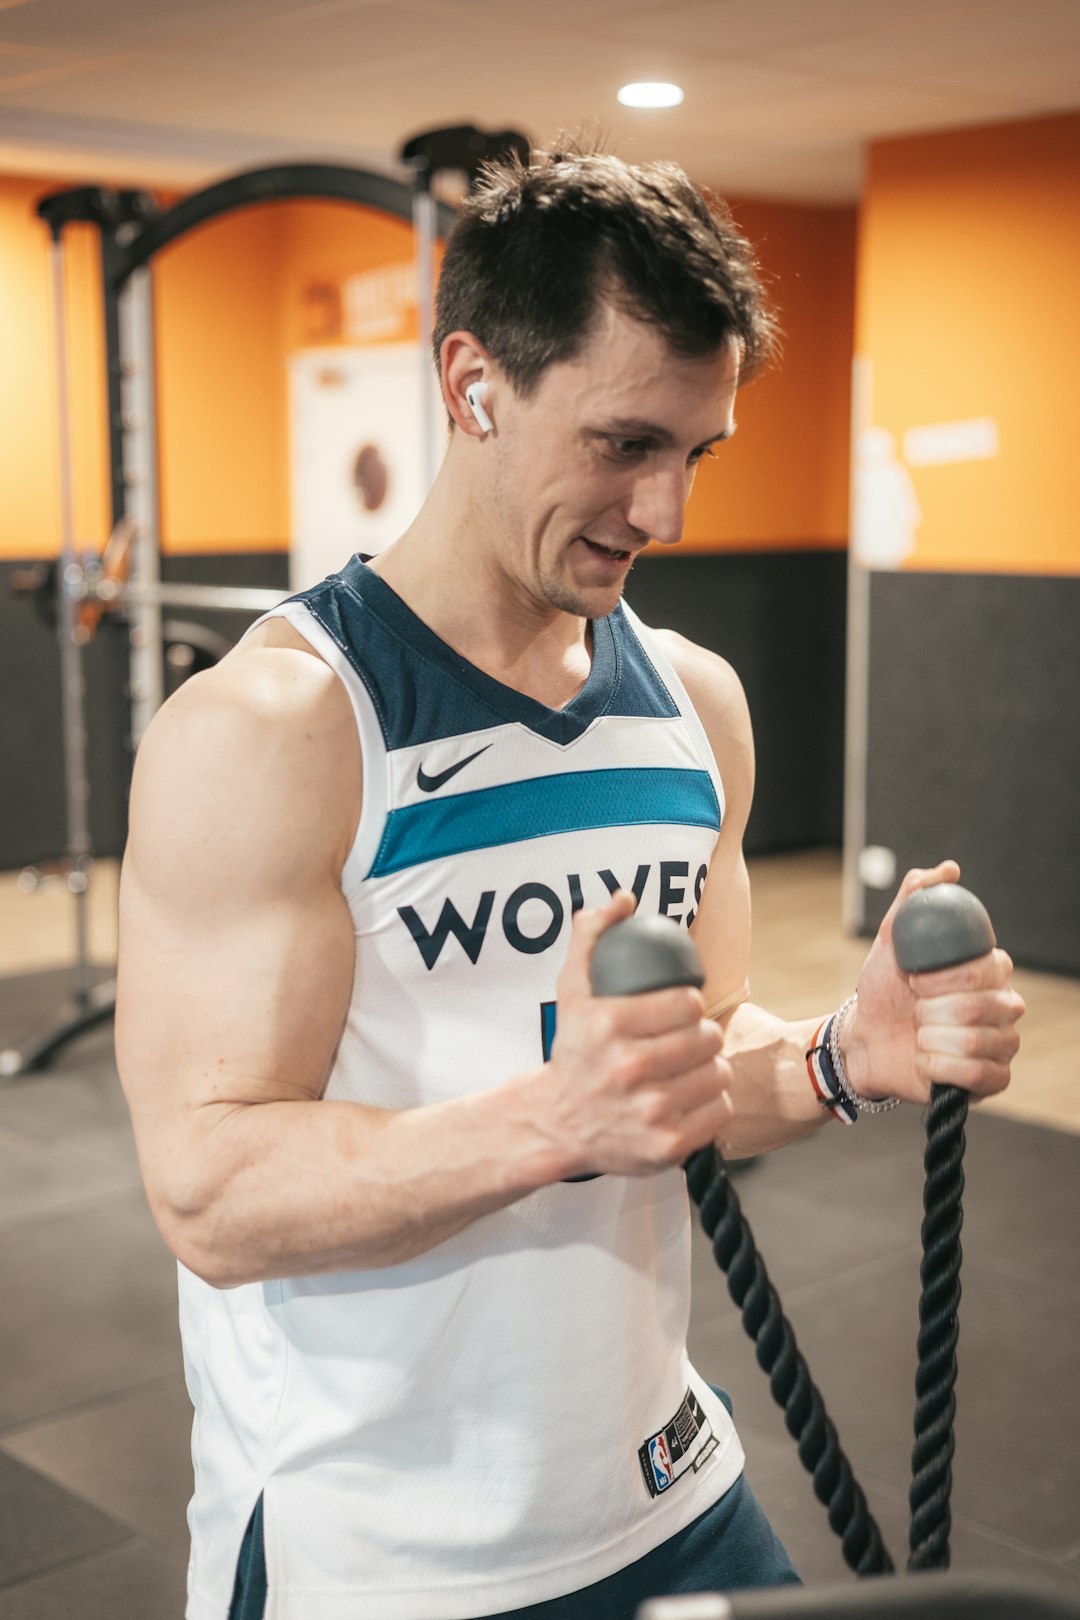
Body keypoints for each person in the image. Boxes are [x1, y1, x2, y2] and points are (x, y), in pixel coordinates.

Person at [115, 148, 1024, 1620]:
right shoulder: (284, 731)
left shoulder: (692, 706)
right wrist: (552, 1120)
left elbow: (691, 1078)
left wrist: (841, 1056)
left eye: (697, 454)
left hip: (659, 1483)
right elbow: (212, 1188)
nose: (664, 509)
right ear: (474, 384)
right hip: (380, 1546)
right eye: (621, 445)